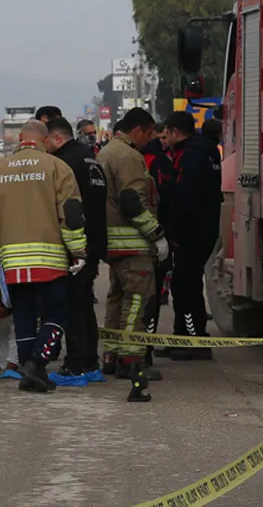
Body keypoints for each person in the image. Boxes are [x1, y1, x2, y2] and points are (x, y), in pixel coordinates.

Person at [0, 119, 87, 393]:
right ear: (45, 140)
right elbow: (71, 215)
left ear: (20, 140)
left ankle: (29, 369)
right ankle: (37, 363)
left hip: (13, 261)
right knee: (55, 313)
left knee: (24, 314)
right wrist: (77, 251)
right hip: (49, 259)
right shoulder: (57, 167)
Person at [97, 107, 169, 380]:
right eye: (149, 134)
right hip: (133, 243)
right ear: (137, 130)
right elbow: (132, 201)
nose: (150, 140)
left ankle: (111, 355)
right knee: (137, 302)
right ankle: (132, 359)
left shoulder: (105, 152)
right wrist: (157, 234)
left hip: (113, 244)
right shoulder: (128, 156)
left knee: (116, 300)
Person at [45, 117, 108, 386]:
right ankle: (91, 362)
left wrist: (73, 249)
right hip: (95, 241)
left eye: (46, 142)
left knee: (72, 306)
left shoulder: (64, 164)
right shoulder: (90, 158)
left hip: (76, 246)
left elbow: (68, 209)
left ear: (57, 139)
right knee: (84, 304)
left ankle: (75, 365)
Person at [163, 110, 222, 359]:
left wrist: (173, 232)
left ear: (177, 132)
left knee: (185, 287)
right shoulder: (206, 151)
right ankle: (183, 337)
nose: (164, 138)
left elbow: (184, 199)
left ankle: (194, 339)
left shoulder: (189, 157)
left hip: (192, 232)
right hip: (204, 228)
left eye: (167, 133)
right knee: (185, 283)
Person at [141, 119, 178, 363]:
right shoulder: (157, 160)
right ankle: (144, 349)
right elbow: (169, 199)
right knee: (149, 297)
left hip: (141, 239)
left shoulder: (143, 159)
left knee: (139, 298)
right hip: (155, 236)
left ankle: (137, 349)